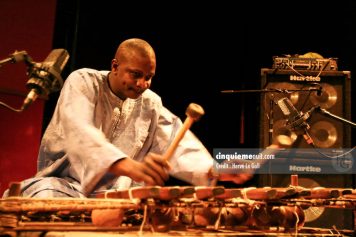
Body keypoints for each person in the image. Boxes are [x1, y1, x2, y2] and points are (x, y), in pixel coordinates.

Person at [3, 38, 251, 198]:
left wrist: (215, 168)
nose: (143, 83)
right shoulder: (83, 81)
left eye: (149, 77)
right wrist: (130, 166)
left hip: (118, 195)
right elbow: (80, 132)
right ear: (114, 66)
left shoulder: (151, 103)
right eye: (136, 74)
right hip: (63, 187)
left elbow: (178, 143)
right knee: (44, 198)